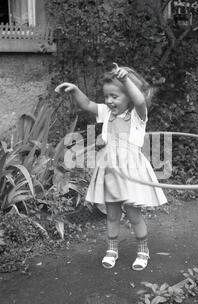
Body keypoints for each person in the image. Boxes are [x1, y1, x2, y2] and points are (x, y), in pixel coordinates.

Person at [55, 64, 167, 271]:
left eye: (114, 96)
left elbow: (140, 99)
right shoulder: (107, 112)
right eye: (107, 96)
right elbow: (87, 104)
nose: (109, 101)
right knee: (112, 214)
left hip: (130, 173)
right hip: (109, 171)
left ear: (128, 96)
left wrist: (125, 80)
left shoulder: (138, 115)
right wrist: (75, 90)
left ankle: (143, 250)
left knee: (134, 215)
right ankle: (112, 249)